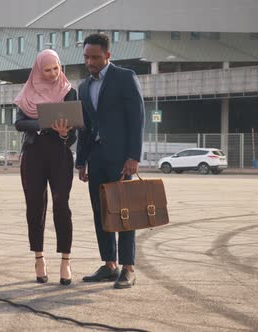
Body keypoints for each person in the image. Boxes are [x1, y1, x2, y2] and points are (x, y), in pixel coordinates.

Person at [75, 34, 145, 289]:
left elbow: (137, 119)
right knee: (100, 212)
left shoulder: (125, 77)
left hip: (121, 159)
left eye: (95, 57)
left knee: (125, 213)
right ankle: (109, 264)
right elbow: (85, 128)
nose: (90, 62)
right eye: (86, 57)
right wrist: (81, 162)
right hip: (96, 158)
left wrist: (133, 157)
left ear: (107, 55)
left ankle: (128, 268)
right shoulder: (83, 87)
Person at [14, 49, 77, 286]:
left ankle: (65, 260)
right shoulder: (28, 92)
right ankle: (39, 258)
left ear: (61, 67)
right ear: (39, 70)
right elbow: (19, 122)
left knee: (61, 205)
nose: (52, 74)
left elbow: (75, 132)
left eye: (56, 69)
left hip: (60, 153)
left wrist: (63, 134)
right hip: (33, 154)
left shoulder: (69, 92)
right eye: (47, 70)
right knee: (34, 206)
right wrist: (43, 123)